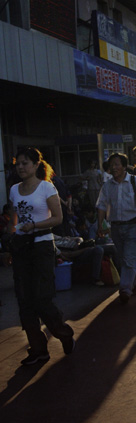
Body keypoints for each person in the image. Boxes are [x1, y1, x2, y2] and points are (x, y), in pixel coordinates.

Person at [7, 146, 75, 365]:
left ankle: (63, 332)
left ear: (36, 165)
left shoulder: (46, 188)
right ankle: (38, 350)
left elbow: (57, 218)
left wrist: (34, 225)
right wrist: (10, 238)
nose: (20, 167)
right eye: (18, 163)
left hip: (42, 245)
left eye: (25, 163)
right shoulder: (14, 189)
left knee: (42, 298)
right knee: (24, 300)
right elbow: (12, 220)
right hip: (21, 247)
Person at [96, 152, 136, 304]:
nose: (114, 168)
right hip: (116, 227)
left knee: (128, 258)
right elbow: (101, 205)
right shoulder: (108, 186)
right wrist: (100, 224)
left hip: (133, 225)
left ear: (124, 166)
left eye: (117, 164)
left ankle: (125, 289)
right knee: (125, 258)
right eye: (111, 165)